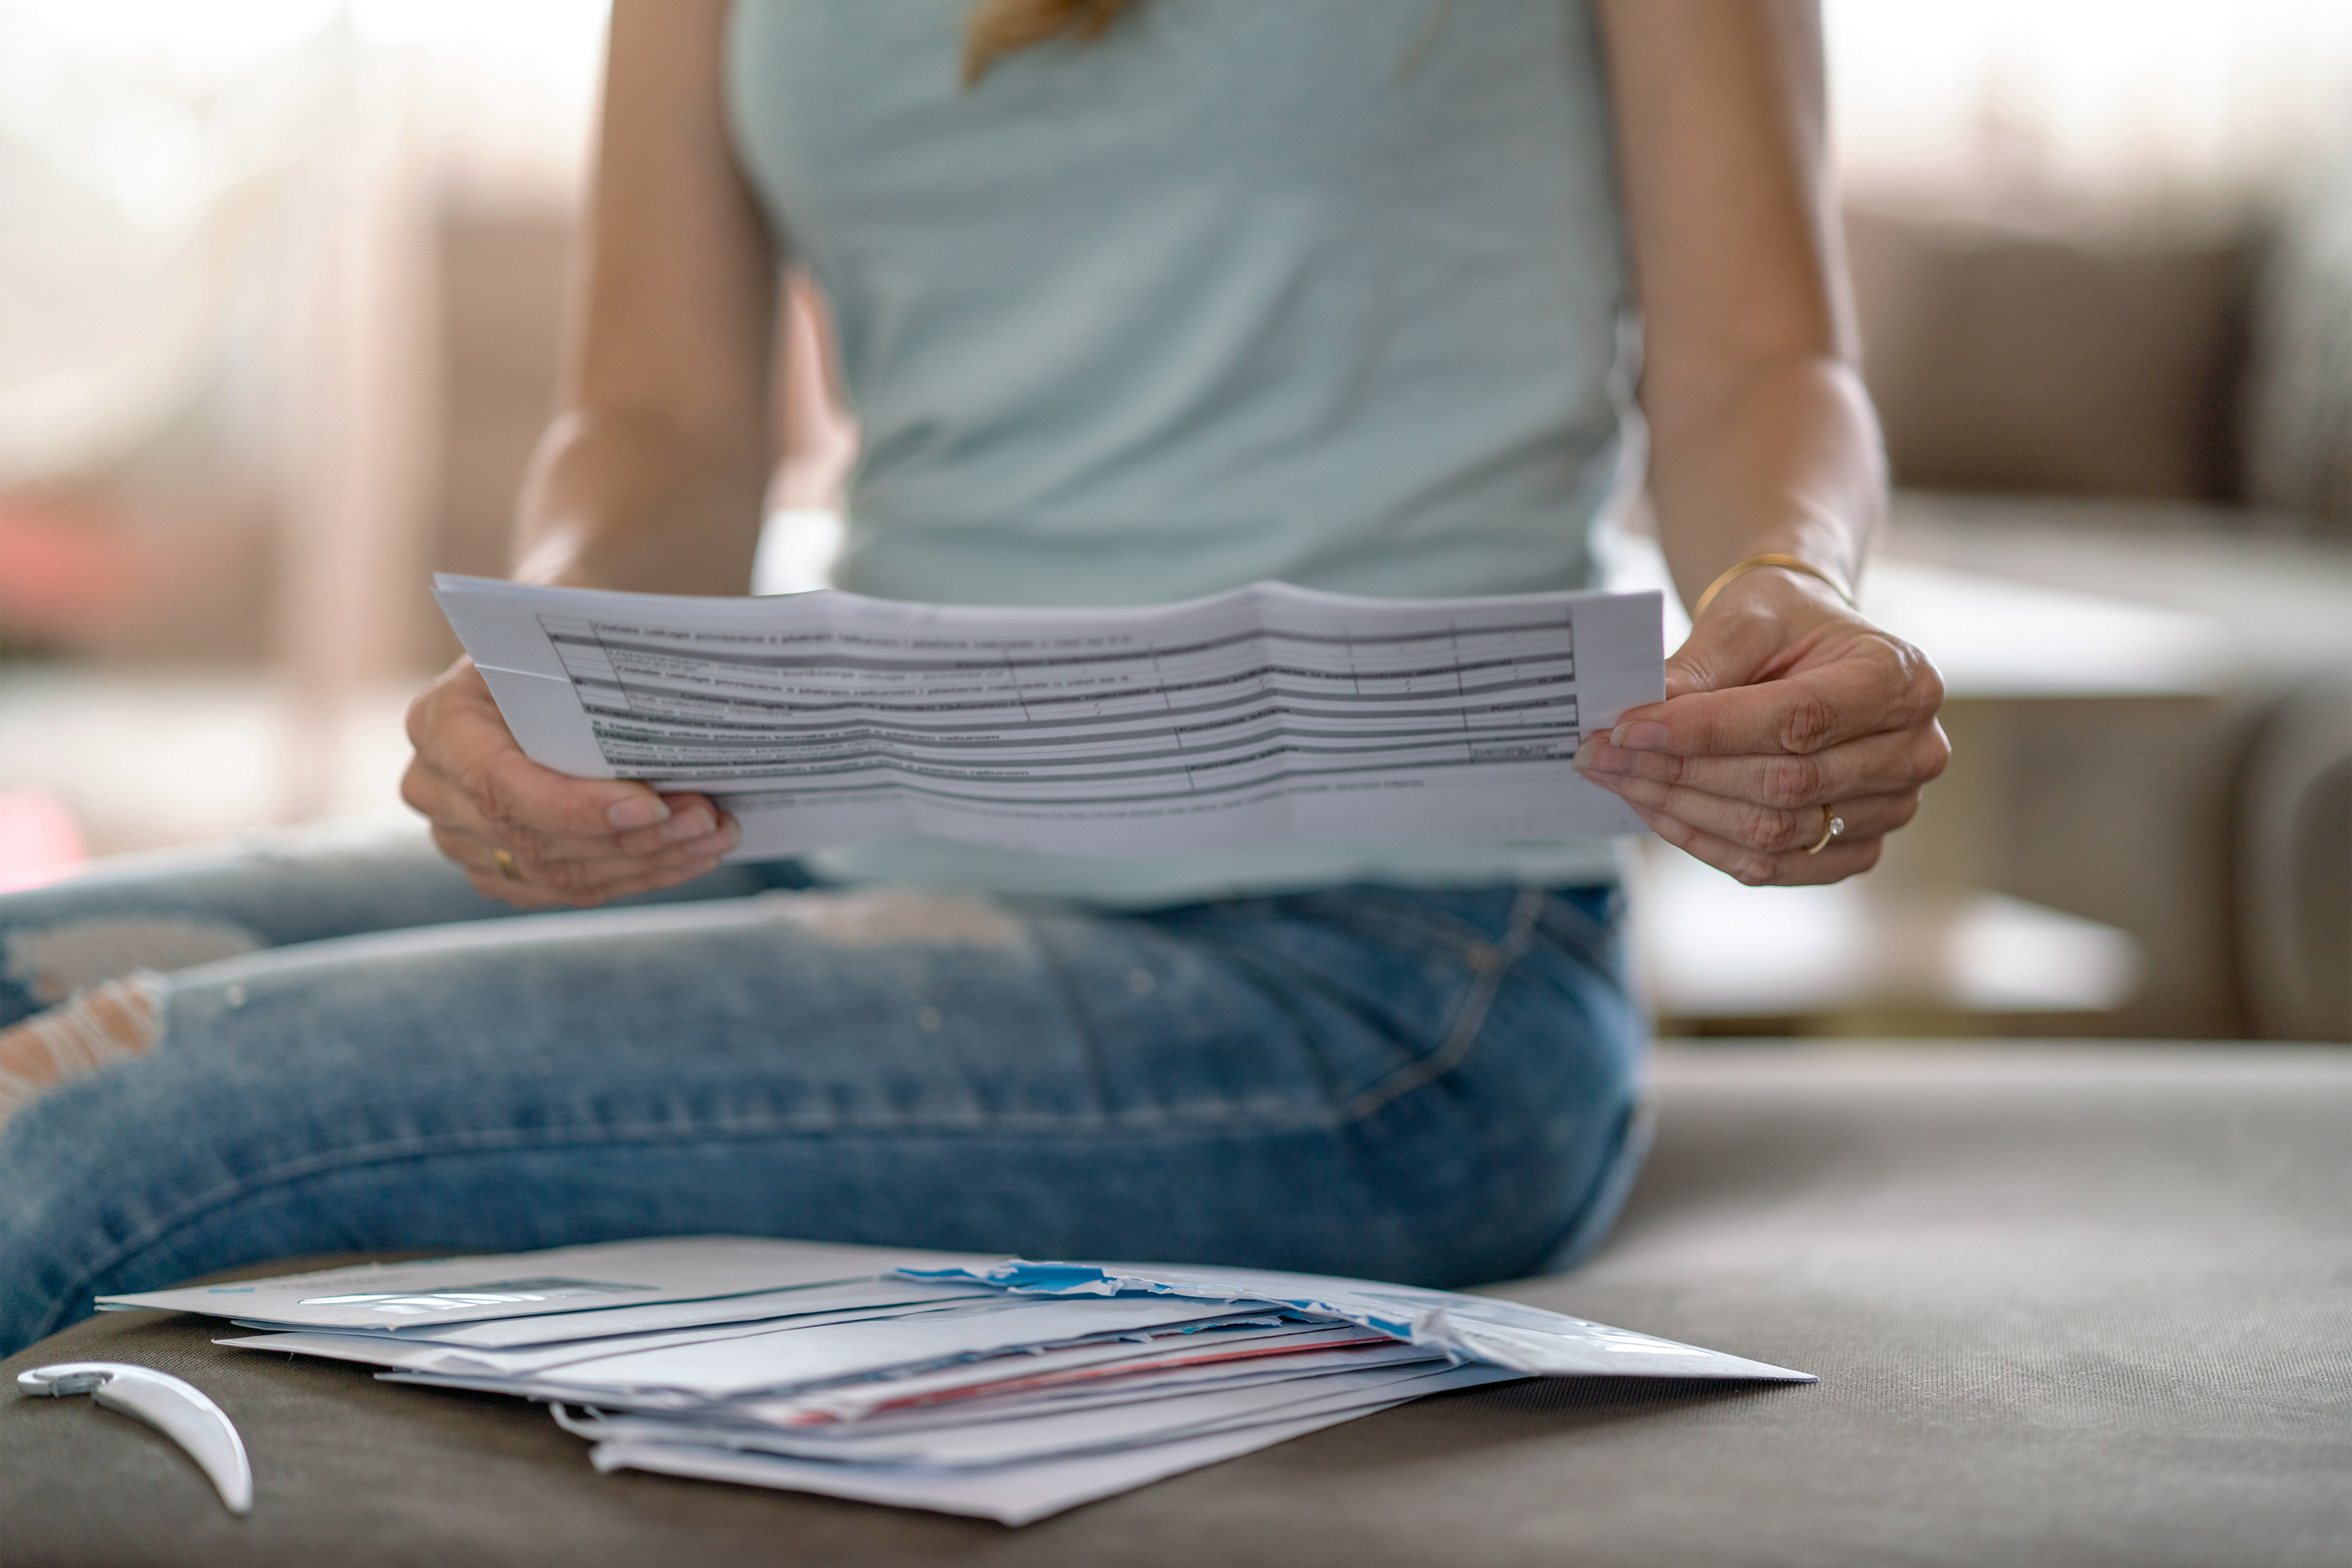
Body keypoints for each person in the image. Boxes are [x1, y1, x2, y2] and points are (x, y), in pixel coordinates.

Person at [0, 0, 1946, 1357]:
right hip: (841, 833)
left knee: (119, 1107)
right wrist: (563, 678)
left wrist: (1786, 581)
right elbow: (661, 419)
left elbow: (1759, 358)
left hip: (1385, 979)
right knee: (28, 976)